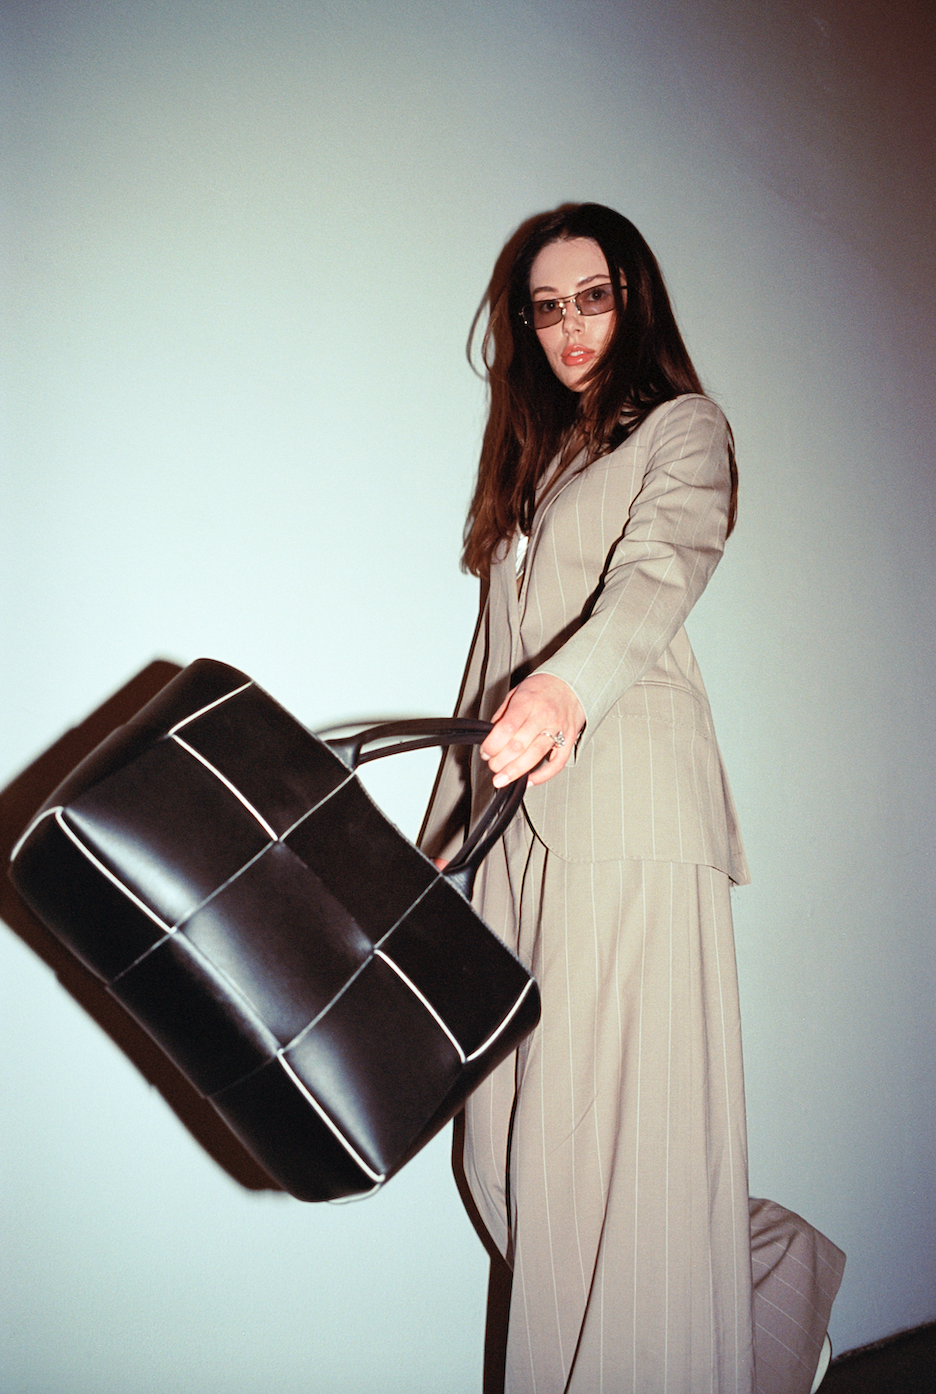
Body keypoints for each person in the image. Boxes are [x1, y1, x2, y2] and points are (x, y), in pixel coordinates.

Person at [419, 203, 844, 1394]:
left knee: (608, 1160)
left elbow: (664, 569)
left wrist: (566, 689)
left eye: (590, 297)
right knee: (506, 1154)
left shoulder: (683, 430)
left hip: (632, 817)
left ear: (634, 298)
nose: (567, 327)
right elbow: (485, 666)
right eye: (544, 307)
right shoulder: (535, 472)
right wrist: (436, 852)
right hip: (517, 836)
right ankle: (766, 1297)